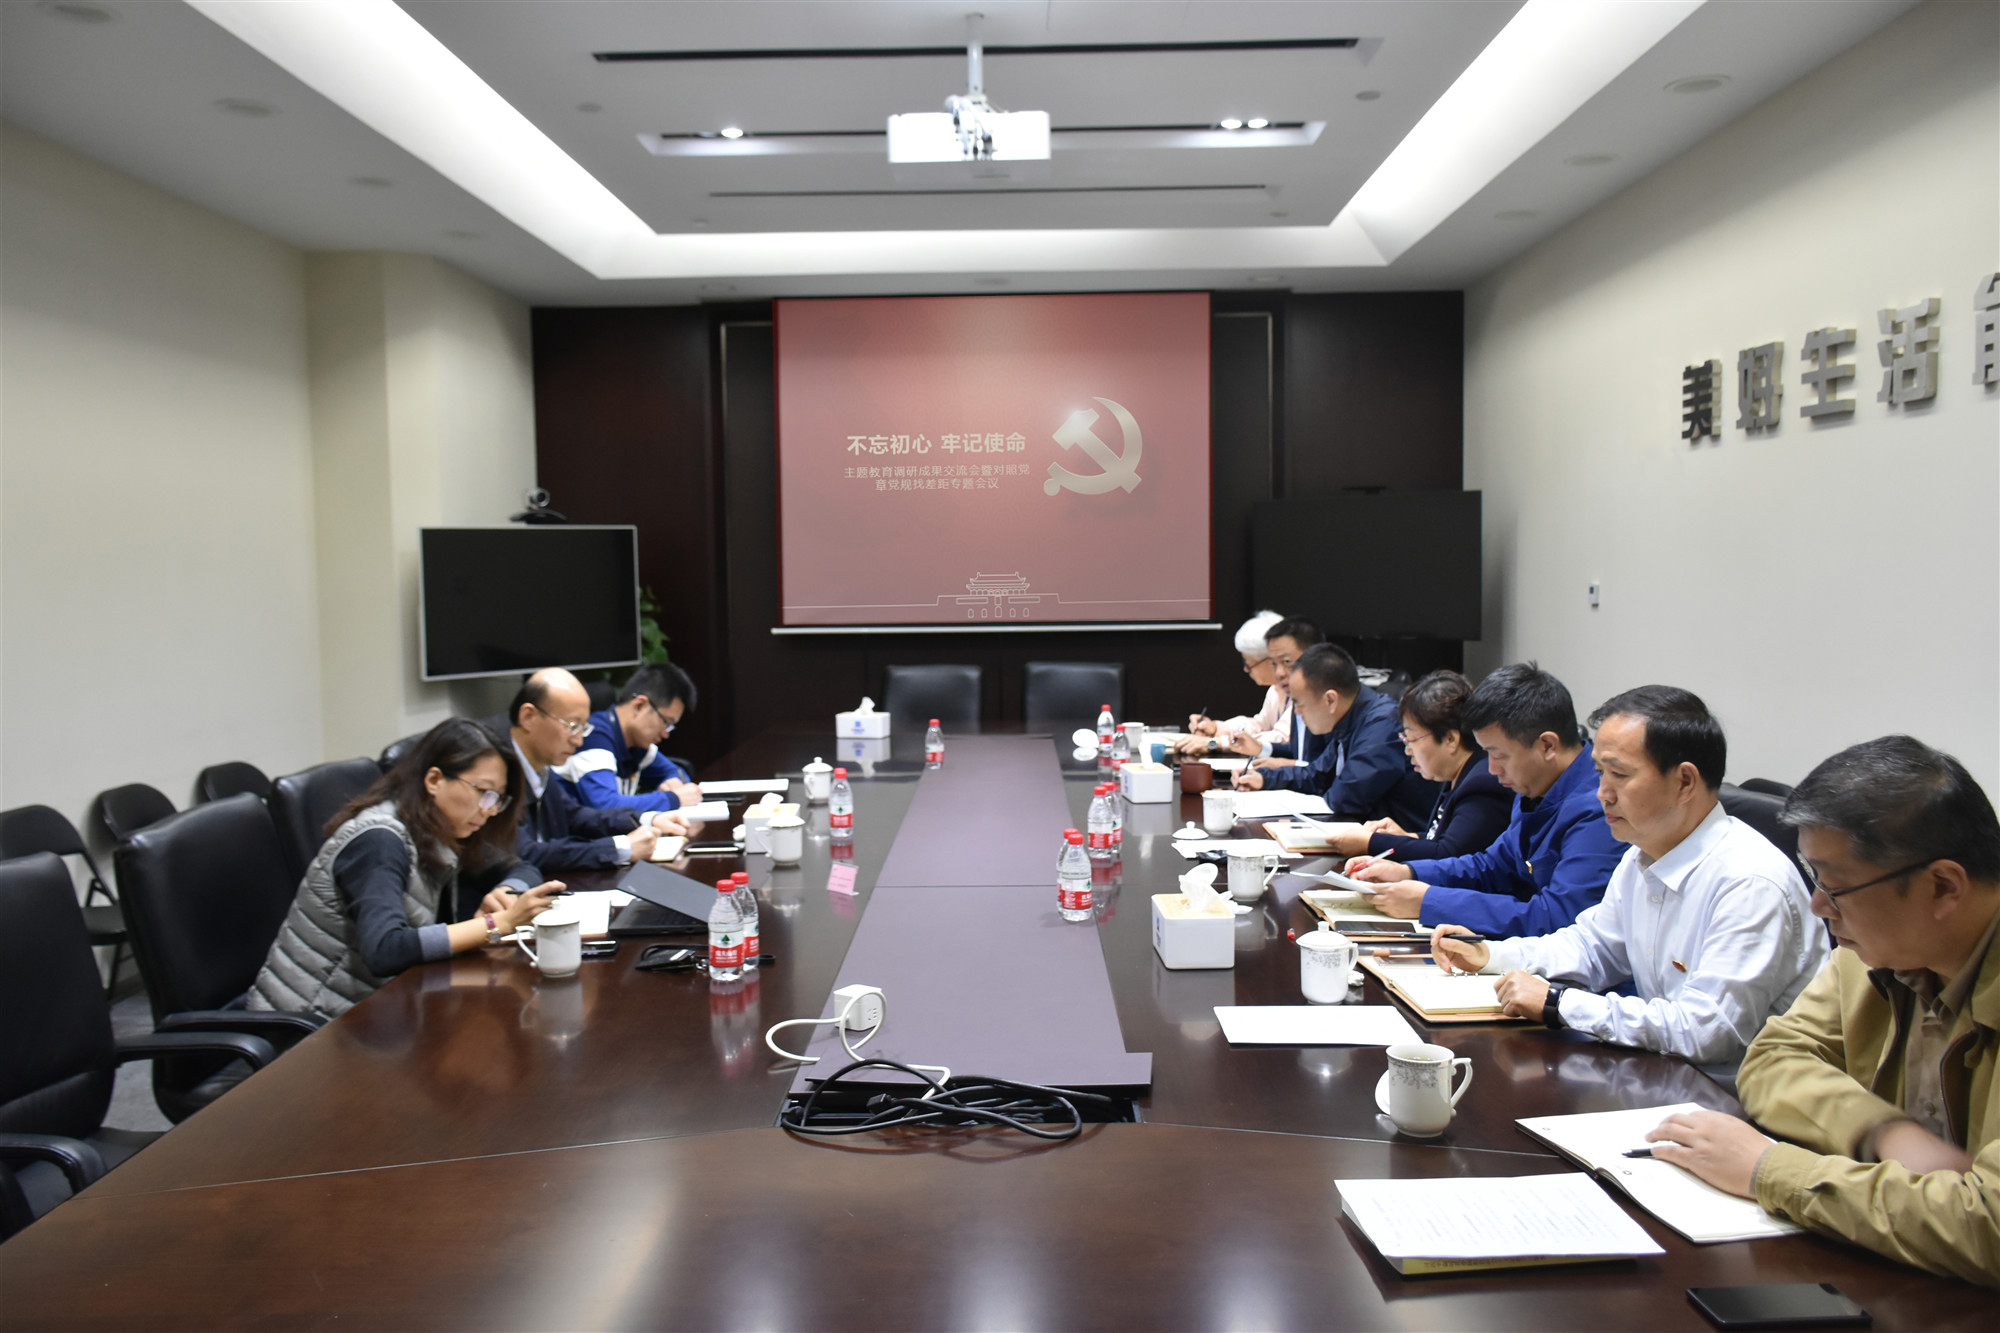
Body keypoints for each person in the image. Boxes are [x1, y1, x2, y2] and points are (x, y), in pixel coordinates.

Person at [1643, 736, 2000, 1288]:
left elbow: (1988, 1226)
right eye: (1815, 880)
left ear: (1943, 886)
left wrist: (1771, 1171)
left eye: (1837, 887)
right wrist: (1884, 1132)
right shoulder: (1878, 952)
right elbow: (1772, 1058)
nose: (1818, 906)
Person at [1428, 686, 1826, 1069]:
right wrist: (1491, 955)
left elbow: (1707, 1032)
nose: (1602, 793)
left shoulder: (1749, 881)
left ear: (1685, 782)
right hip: (1666, 1072)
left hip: (1734, 1097)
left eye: (1618, 774)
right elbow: (1593, 947)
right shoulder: (1643, 854)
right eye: (1600, 772)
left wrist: (1557, 1003)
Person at [248, 718, 562, 1019]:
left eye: (498, 799)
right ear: (434, 780)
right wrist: (496, 924)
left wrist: (506, 892)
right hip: (312, 1024)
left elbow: (522, 868)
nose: (490, 810)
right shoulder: (378, 840)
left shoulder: (440, 825)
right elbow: (385, 950)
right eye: (484, 792)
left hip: (379, 1009)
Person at [1346, 661, 1622, 935]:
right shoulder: (1535, 786)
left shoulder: (1597, 809)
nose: (1492, 769)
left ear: (1547, 745)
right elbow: (1493, 866)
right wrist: (1409, 872)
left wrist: (1429, 901)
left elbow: (1558, 917)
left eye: (1499, 755)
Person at [1230, 643, 1437, 829]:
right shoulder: (1351, 717)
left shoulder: (1382, 726)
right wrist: (1264, 778)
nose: (1298, 713)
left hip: (1401, 848)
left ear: (1330, 700)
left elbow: (1344, 799)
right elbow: (1317, 775)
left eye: (1300, 704)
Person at [502, 668, 689, 872]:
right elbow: (526, 854)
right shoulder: (498, 769)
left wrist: (647, 819)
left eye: (583, 728)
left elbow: (575, 817)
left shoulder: (540, 766)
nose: (579, 741)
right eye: (572, 726)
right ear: (528, 717)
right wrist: (621, 848)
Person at [1312, 670, 1511, 860]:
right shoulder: (1459, 774)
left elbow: (1448, 854)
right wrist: (1407, 837)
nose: (1407, 750)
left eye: (1412, 738)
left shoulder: (1481, 783)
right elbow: (1442, 840)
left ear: (1450, 739)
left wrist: (1372, 843)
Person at [555, 662, 703, 815]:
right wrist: (673, 798)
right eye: (665, 722)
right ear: (639, 705)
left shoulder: (637, 743)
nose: (666, 734)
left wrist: (674, 782)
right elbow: (606, 805)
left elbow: (676, 771)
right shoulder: (594, 738)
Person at [1179, 610, 1289, 755]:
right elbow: (1260, 725)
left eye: (1249, 662)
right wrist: (1217, 728)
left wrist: (1217, 743)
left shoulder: (1301, 689)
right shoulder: (1275, 689)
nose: (1246, 669)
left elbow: (1282, 738)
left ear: (1270, 660)